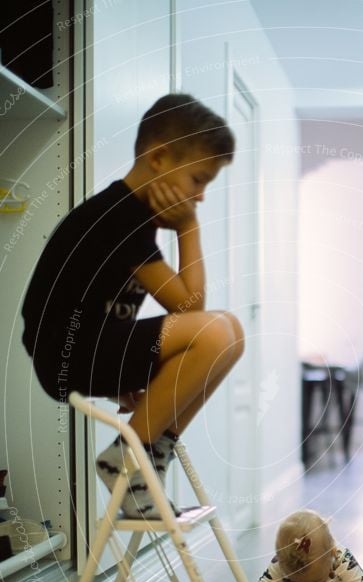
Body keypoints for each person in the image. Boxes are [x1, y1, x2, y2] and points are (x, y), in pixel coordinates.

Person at [22, 93, 243, 518]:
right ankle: (129, 457)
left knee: (230, 330)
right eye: (198, 180)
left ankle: (152, 450)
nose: (199, 197)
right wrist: (189, 229)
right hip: (68, 357)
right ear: (159, 157)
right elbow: (191, 307)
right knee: (213, 330)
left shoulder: (132, 218)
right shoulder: (117, 216)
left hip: (87, 350)